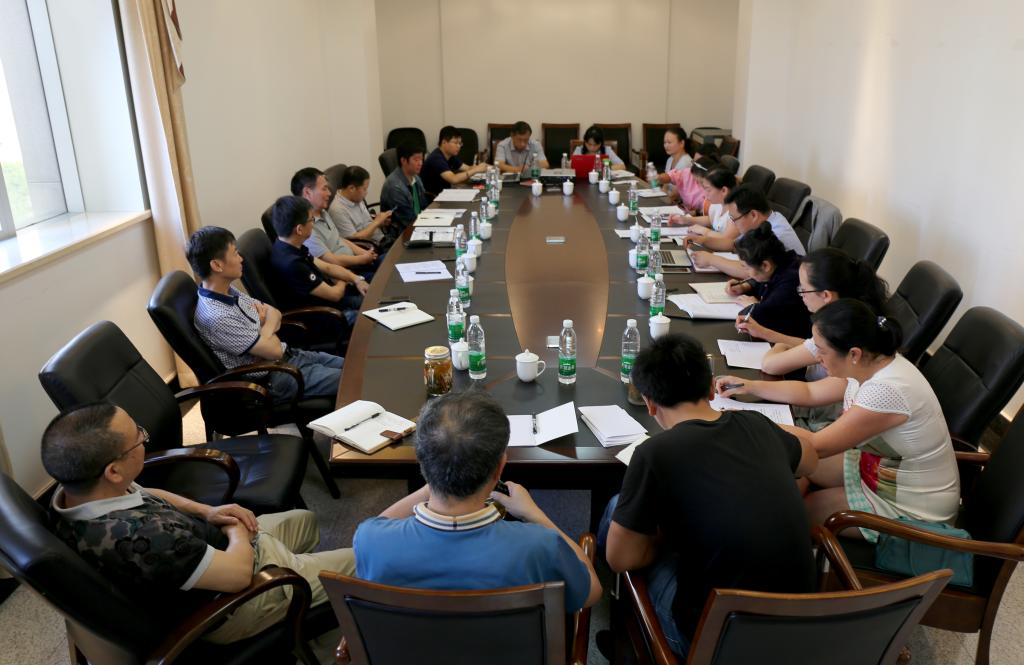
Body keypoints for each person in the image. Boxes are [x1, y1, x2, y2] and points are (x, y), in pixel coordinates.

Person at [43, 403, 355, 644]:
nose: (143, 438)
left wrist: (208, 511)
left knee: (305, 521)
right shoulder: (145, 539)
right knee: (365, 563)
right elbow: (238, 576)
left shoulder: (78, 491)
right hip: (234, 601)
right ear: (113, 471)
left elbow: (145, 492)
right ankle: (310, 618)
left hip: (214, 548)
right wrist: (235, 530)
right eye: (139, 438)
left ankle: (304, 602)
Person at [602, 334, 817, 658]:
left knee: (616, 511)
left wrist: (663, 538)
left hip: (715, 642)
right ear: (711, 388)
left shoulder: (654, 453)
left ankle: (623, 642)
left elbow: (621, 559)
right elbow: (810, 461)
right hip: (802, 628)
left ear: (649, 402)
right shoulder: (756, 424)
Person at [715, 299, 960, 539]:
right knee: (795, 474)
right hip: (881, 469)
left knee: (797, 513)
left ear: (853, 353)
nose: (817, 358)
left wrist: (745, 421)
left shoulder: (886, 390)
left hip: (911, 504)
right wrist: (750, 386)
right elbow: (810, 393)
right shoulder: (869, 363)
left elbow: (815, 446)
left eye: (821, 352)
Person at [354, 390, 602, 612]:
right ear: (500, 468)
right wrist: (535, 515)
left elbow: (379, 523)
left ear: (422, 461)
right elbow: (591, 592)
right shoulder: (540, 546)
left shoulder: (371, 540)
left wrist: (435, 477)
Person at [187, 225, 344, 400]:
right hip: (275, 377)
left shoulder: (226, 290)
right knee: (354, 379)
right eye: (235, 254)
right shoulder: (217, 317)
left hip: (289, 356)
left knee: (355, 366)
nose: (241, 259)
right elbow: (274, 351)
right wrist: (262, 325)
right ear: (217, 265)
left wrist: (263, 330)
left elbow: (274, 312)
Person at [753, 248, 890, 380]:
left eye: (803, 289)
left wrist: (780, 346)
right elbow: (809, 346)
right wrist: (764, 333)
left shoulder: (839, 328)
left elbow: (770, 365)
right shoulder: (854, 315)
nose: (800, 294)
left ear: (826, 295)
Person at [269, 195, 367, 326]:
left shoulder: (287, 244)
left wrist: (356, 279)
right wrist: (343, 279)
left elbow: (327, 267)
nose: (313, 223)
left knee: (373, 298)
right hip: (325, 316)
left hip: (331, 301)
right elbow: (335, 295)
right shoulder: (292, 264)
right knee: (372, 316)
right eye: (312, 220)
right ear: (299, 229)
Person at [690, 183, 805, 277]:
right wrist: (702, 240)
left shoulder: (776, 235)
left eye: (734, 219)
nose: (733, 224)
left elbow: (750, 271)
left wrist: (711, 260)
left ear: (753, 215)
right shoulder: (765, 220)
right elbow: (734, 245)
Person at [726, 222, 811, 340]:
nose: (746, 272)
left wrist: (752, 306)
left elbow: (761, 317)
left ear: (765, 265)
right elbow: (764, 281)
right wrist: (745, 286)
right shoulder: (782, 262)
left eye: (747, 268)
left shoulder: (791, 281)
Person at [291, 167, 378, 276]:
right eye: (324, 189)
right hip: (346, 274)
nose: (329, 193)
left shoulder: (322, 212)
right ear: (307, 192)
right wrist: (362, 259)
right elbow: (332, 261)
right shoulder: (307, 229)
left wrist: (365, 253)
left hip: (356, 264)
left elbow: (339, 239)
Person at [328, 165, 393, 248]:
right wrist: (377, 222)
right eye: (364, 189)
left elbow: (365, 222)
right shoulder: (337, 210)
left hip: (382, 239)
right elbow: (356, 241)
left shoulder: (355, 198)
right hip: (371, 248)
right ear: (351, 188)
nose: (366, 192)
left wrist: (380, 221)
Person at [380, 141, 429, 242]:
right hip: (401, 236)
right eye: (416, 159)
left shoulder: (415, 178)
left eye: (421, 159)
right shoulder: (394, 187)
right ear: (403, 160)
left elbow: (424, 206)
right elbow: (408, 221)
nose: (420, 163)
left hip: (417, 226)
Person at [420, 126, 488, 197]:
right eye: (455, 143)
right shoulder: (436, 158)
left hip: (445, 193)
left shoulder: (450, 156)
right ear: (444, 142)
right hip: (434, 198)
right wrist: (476, 170)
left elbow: (468, 168)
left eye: (460, 143)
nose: (459, 146)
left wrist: (484, 167)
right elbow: (453, 179)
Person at [668, 166, 736, 235]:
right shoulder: (717, 204)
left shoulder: (736, 211)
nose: (705, 194)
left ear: (724, 190)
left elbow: (727, 239)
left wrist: (704, 231)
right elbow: (711, 220)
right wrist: (686, 220)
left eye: (708, 190)